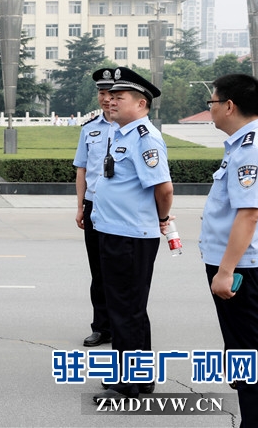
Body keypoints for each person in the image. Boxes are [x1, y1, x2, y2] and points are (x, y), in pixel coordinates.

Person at [199, 74, 258, 427]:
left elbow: (248, 215)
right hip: (237, 265)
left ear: (229, 106)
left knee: (254, 359)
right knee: (242, 356)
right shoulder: (242, 144)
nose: (211, 110)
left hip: (241, 270)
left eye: (212, 103)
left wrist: (226, 270)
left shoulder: (251, 149)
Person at [90, 67, 173, 402]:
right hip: (115, 233)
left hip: (130, 237)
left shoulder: (145, 139)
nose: (110, 101)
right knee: (128, 307)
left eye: (118, 97)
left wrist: (163, 218)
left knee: (127, 309)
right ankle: (140, 377)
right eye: (109, 96)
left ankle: (130, 384)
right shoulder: (123, 133)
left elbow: (163, 188)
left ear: (141, 104)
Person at [72, 69, 114, 348]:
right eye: (102, 93)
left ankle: (123, 326)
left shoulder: (134, 130)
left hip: (121, 210)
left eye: (112, 94)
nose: (107, 99)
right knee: (98, 271)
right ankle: (101, 327)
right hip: (93, 206)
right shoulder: (90, 129)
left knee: (120, 272)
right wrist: (80, 206)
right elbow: (82, 170)